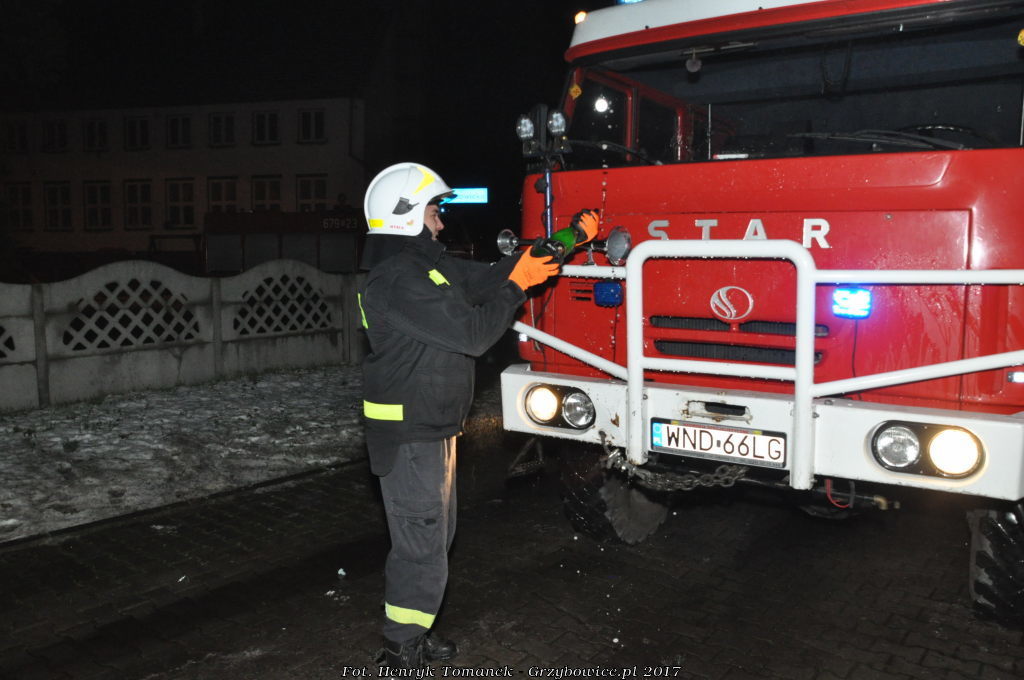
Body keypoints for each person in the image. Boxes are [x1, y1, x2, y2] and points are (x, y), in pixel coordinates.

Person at [357, 162, 597, 668]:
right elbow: (473, 334)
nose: (441, 221)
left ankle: (414, 632)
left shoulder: (427, 268)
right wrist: (518, 287)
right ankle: (400, 651)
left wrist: (564, 241)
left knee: (434, 538)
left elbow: (490, 277)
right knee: (421, 542)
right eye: (434, 211)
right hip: (409, 432)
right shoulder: (397, 280)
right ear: (406, 215)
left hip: (433, 426)